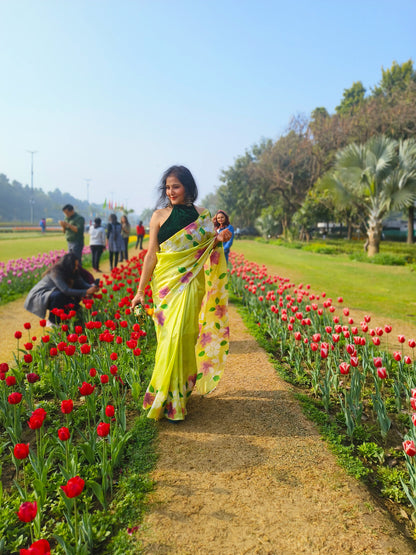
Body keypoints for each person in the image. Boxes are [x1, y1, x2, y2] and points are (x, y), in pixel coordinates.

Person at [131, 165, 231, 421]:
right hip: (165, 288)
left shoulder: (203, 215)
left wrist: (219, 240)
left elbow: (207, 249)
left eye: (175, 186)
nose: (170, 191)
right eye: (167, 187)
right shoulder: (158, 216)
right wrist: (140, 291)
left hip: (191, 285)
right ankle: (163, 395)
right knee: (168, 338)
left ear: (187, 186)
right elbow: (151, 255)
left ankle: (179, 396)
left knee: (183, 336)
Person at [24, 252, 99, 326]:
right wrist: (86, 291)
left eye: (77, 265)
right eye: (75, 266)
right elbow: (65, 290)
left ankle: (66, 318)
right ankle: (52, 321)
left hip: (53, 293)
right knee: (60, 295)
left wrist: (91, 287)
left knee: (73, 294)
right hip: (41, 295)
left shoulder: (73, 271)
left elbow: (81, 282)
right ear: (69, 266)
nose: (76, 268)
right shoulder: (56, 272)